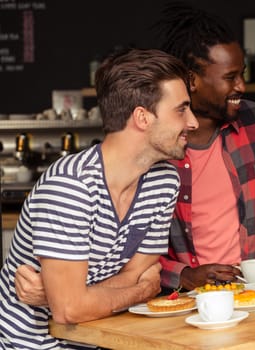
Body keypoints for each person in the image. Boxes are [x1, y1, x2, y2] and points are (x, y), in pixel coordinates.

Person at [1, 48, 197, 349]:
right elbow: (70, 310)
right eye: (181, 110)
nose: (193, 122)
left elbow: (138, 274)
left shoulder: (164, 181)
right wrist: (139, 292)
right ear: (142, 117)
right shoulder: (71, 186)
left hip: (101, 340)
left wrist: (69, 296)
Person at [154, 3, 255, 290]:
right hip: (189, 304)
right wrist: (184, 275)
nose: (241, 86)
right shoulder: (157, 144)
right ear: (192, 80)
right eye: (229, 77)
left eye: (242, 74)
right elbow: (130, 241)